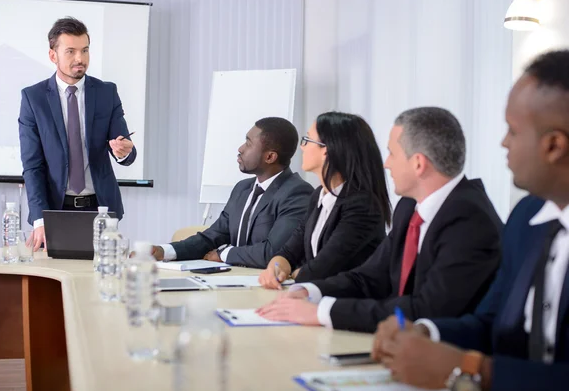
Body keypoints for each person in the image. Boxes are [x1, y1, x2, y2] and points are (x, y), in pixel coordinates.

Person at [372, 50, 569, 391]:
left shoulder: (472, 216)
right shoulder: (527, 219)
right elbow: (489, 323)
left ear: (554, 146)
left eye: (512, 130)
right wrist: (425, 333)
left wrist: (472, 370)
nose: (503, 143)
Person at [257, 107, 502, 333]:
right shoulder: (409, 206)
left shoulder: (469, 219)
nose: (386, 164)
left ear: (418, 163)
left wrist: (322, 312)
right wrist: (309, 291)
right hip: (398, 340)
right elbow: (370, 277)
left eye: (392, 153)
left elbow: (428, 308)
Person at [19, 17, 136, 251]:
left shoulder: (106, 92)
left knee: (102, 279)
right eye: (70, 51)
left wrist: (123, 152)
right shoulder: (34, 99)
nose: (79, 59)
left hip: (101, 210)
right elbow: (32, 166)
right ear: (53, 55)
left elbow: (126, 152)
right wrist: (40, 219)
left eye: (84, 50)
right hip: (55, 211)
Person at [152, 117, 314, 268]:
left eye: (248, 143)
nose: (240, 149)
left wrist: (225, 253)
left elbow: (273, 253)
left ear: (270, 156)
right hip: (233, 280)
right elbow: (212, 237)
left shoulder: (297, 193)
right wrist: (163, 251)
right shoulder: (242, 188)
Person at [258, 112, 390, 287]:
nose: (302, 147)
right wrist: (275, 267)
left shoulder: (362, 205)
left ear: (326, 151)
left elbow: (322, 268)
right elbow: (289, 252)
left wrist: (296, 272)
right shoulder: (319, 195)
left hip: (348, 305)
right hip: (317, 297)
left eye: (307, 140)